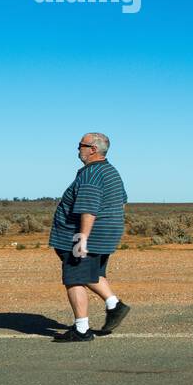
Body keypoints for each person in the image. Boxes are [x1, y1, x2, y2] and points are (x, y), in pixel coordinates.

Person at [48, 133, 131, 342]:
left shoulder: (91, 174)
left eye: (80, 146)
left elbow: (88, 207)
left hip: (83, 235)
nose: (78, 150)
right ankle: (114, 304)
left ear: (92, 149)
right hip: (104, 236)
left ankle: (82, 330)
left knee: (75, 278)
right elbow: (122, 203)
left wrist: (82, 237)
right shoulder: (110, 171)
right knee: (91, 274)